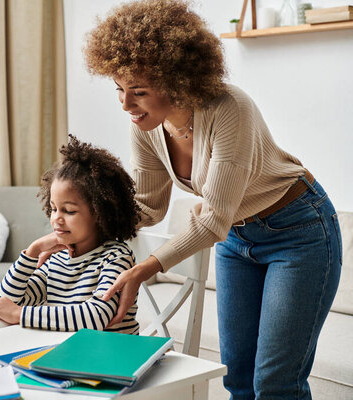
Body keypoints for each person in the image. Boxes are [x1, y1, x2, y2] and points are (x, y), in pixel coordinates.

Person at [83, 1, 342, 399]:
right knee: (236, 377)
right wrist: (79, 231)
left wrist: (144, 268)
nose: (125, 104)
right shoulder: (147, 125)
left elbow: (212, 220)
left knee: (275, 383)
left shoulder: (229, 109)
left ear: (177, 80)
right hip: (237, 241)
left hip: (299, 232)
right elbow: (147, 207)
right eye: (119, 88)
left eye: (139, 92)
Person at [0, 135, 141, 334]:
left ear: (100, 213)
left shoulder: (117, 257)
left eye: (69, 211)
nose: (57, 218)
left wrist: (20, 314)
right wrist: (32, 252)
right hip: (70, 355)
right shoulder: (56, 259)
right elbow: (7, 302)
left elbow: (97, 316)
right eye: (54, 209)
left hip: (113, 358)